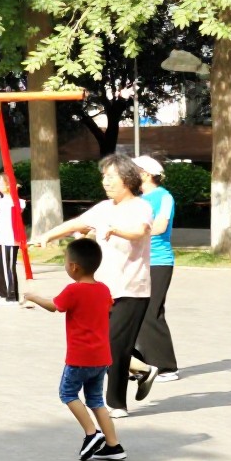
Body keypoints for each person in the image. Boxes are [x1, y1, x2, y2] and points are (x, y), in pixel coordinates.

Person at [32, 154, 159, 417]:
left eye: (111, 176)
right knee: (104, 344)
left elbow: (140, 232)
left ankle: (116, 404)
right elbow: (76, 224)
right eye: (104, 176)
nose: (106, 181)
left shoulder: (140, 207)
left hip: (132, 289)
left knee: (114, 346)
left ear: (128, 179)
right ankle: (143, 369)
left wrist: (116, 231)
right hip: (104, 290)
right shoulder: (103, 208)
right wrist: (47, 235)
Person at [22, 238, 127, 461]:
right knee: (96, 400)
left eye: (65, 262)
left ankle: (92, 433)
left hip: (80, 357)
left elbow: (55, 306)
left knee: (68, 393)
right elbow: (108, 307)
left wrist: (33, 297)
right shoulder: (103, 289)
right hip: (101, 357)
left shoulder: (74, 290)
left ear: (74, 267)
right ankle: (113, 445)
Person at [135, 156, 178, 381]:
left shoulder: (164, 197)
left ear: (147, 174)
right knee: (137, 312)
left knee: (152, 312)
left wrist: (129, 232)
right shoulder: (137, 199)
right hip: (138, 261)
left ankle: (166, 367)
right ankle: (143, 365)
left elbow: (160, 227)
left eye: (135, 170)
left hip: (159, 261)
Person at [0, 174, 25, 306]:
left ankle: (12, 296)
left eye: (2, 183)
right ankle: (3, 294)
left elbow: (16, 205)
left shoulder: (14, 202)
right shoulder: (4, 201)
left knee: (7, 268)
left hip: (9, 239)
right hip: (2, 239)